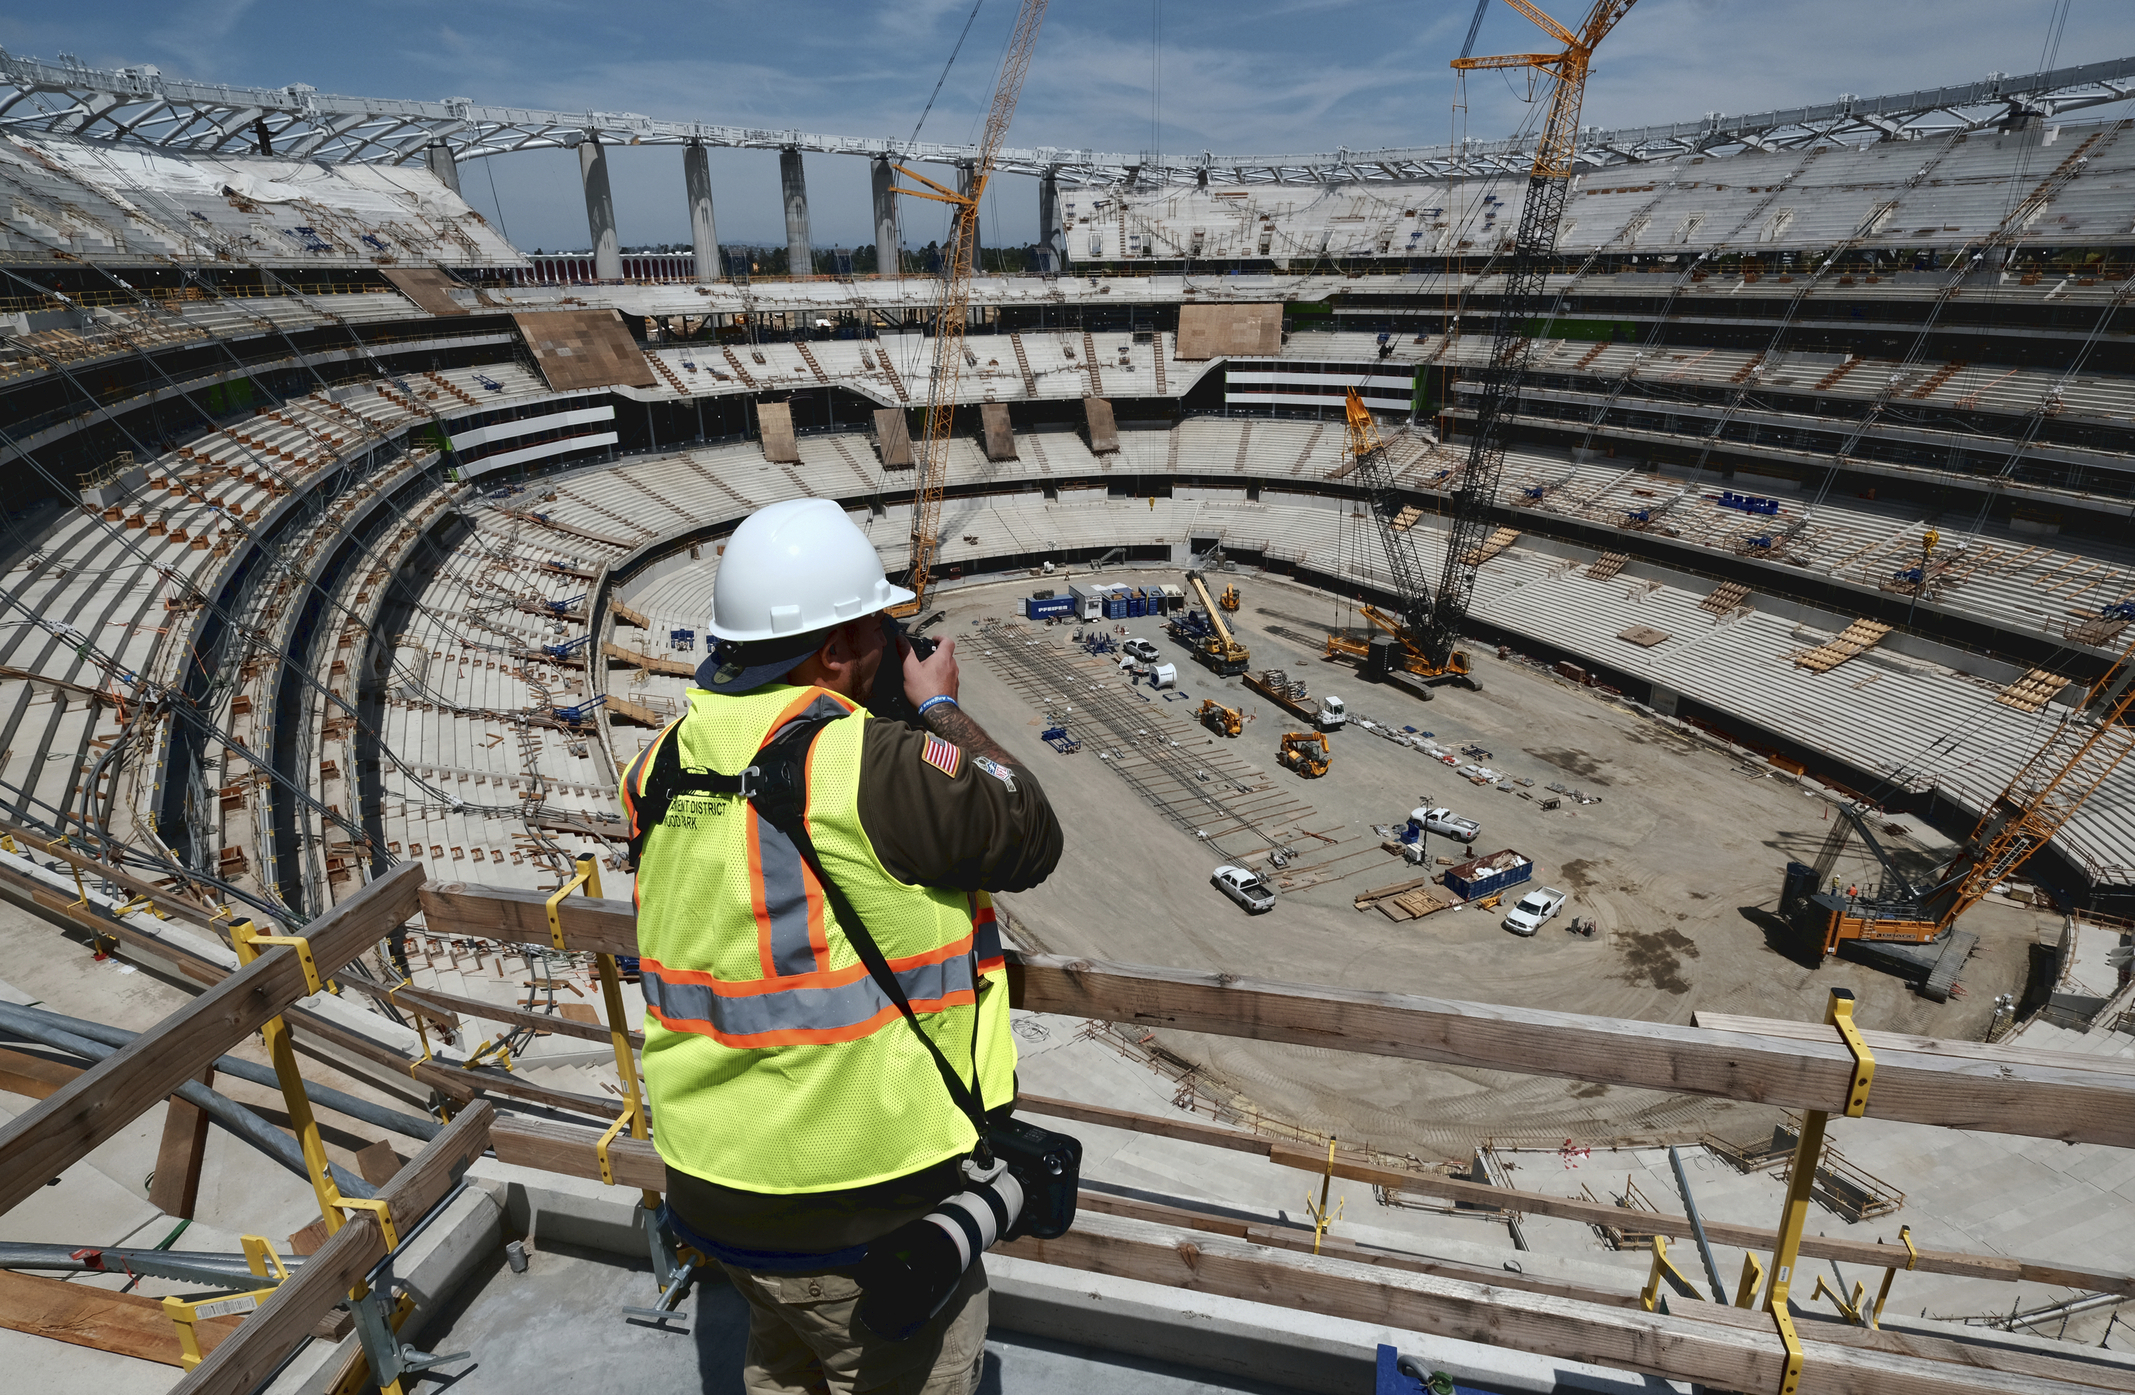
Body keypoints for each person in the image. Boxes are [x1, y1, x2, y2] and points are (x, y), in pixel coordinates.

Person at [619, 497, 1062, 1395]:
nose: (888, 641)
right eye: (874, 626)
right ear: (832, 649)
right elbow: (1026, 823)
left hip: (711, 1181)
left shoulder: (659, 761)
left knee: (783, 1367)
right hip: (858, 1204)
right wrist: (934, 704)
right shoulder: (866, 762)